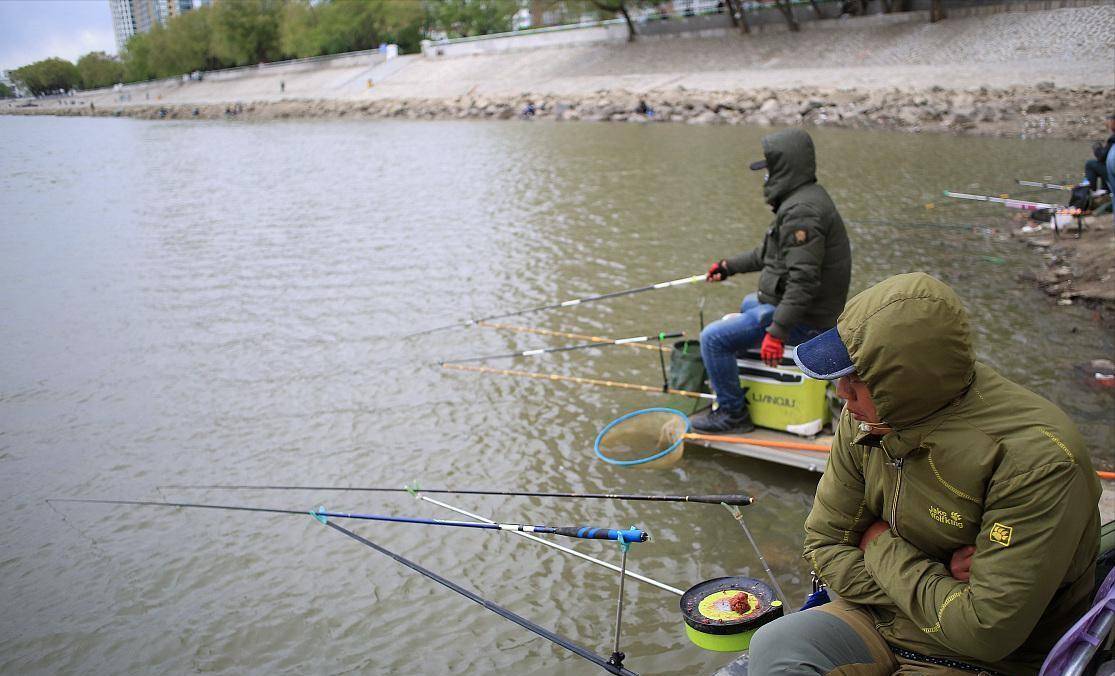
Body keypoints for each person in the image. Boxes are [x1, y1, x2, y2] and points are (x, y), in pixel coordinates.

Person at [746, 272, 1101, 675]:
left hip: (987, 661)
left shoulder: (1035, 460)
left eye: (856, 379)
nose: (841, 393)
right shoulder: (863, 417)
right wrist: (943, 583)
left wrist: (877, 542)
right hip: (880, 619)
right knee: (775, 644)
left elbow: (986, 632)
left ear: (904, 385)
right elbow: (824, 544)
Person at [692, 128, 851, 433]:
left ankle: (732, 414)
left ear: (785, 168)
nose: (765, 176)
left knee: (712, 339)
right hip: (799, 307)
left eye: (769, 169)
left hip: (809, 319)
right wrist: (728, 267)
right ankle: (739, 377)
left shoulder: (801, 213)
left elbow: (803, 283)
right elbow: (768, 255)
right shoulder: (801, 200)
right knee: (749, 301)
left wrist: (777, 333)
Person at [1085, 113, 1115, 192]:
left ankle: (1090, 194)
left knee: (1090, 164)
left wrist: (1097, 148)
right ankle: (1105, 190)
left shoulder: (1113, 139)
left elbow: (1102, 157)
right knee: (1103, 165)